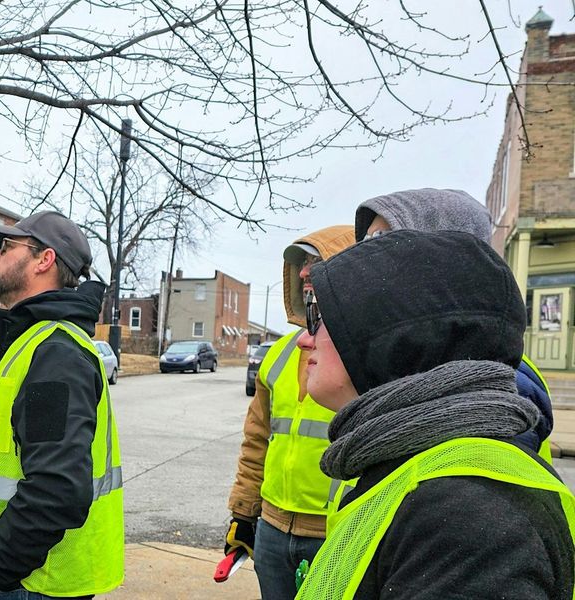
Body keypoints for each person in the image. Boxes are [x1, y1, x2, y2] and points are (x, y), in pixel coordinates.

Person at [294, 230, 574, 599]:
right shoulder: (421, 469)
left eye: (320, 318)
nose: (303, 339)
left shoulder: (468, 516)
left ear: (394, 336)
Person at [0, 210, 124, 599]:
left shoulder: (56, 353)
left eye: (6, 246)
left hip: (29, 584)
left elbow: (57, 489)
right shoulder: (35, 343)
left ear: (44, 260)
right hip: (25, 579)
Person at [354, 188, 555, 459]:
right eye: (364, 241)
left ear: (447, 255)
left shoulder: (490, 394)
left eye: (381, 238)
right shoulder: (412, 361)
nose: (361, 255)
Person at [225, 225, 355, 600]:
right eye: (301, 264)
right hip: (273, 531)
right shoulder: (281, 353)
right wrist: (244, 514)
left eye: (315, 263)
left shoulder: (367, 354)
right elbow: (256, 441)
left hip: (335, 533)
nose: (302, 273)